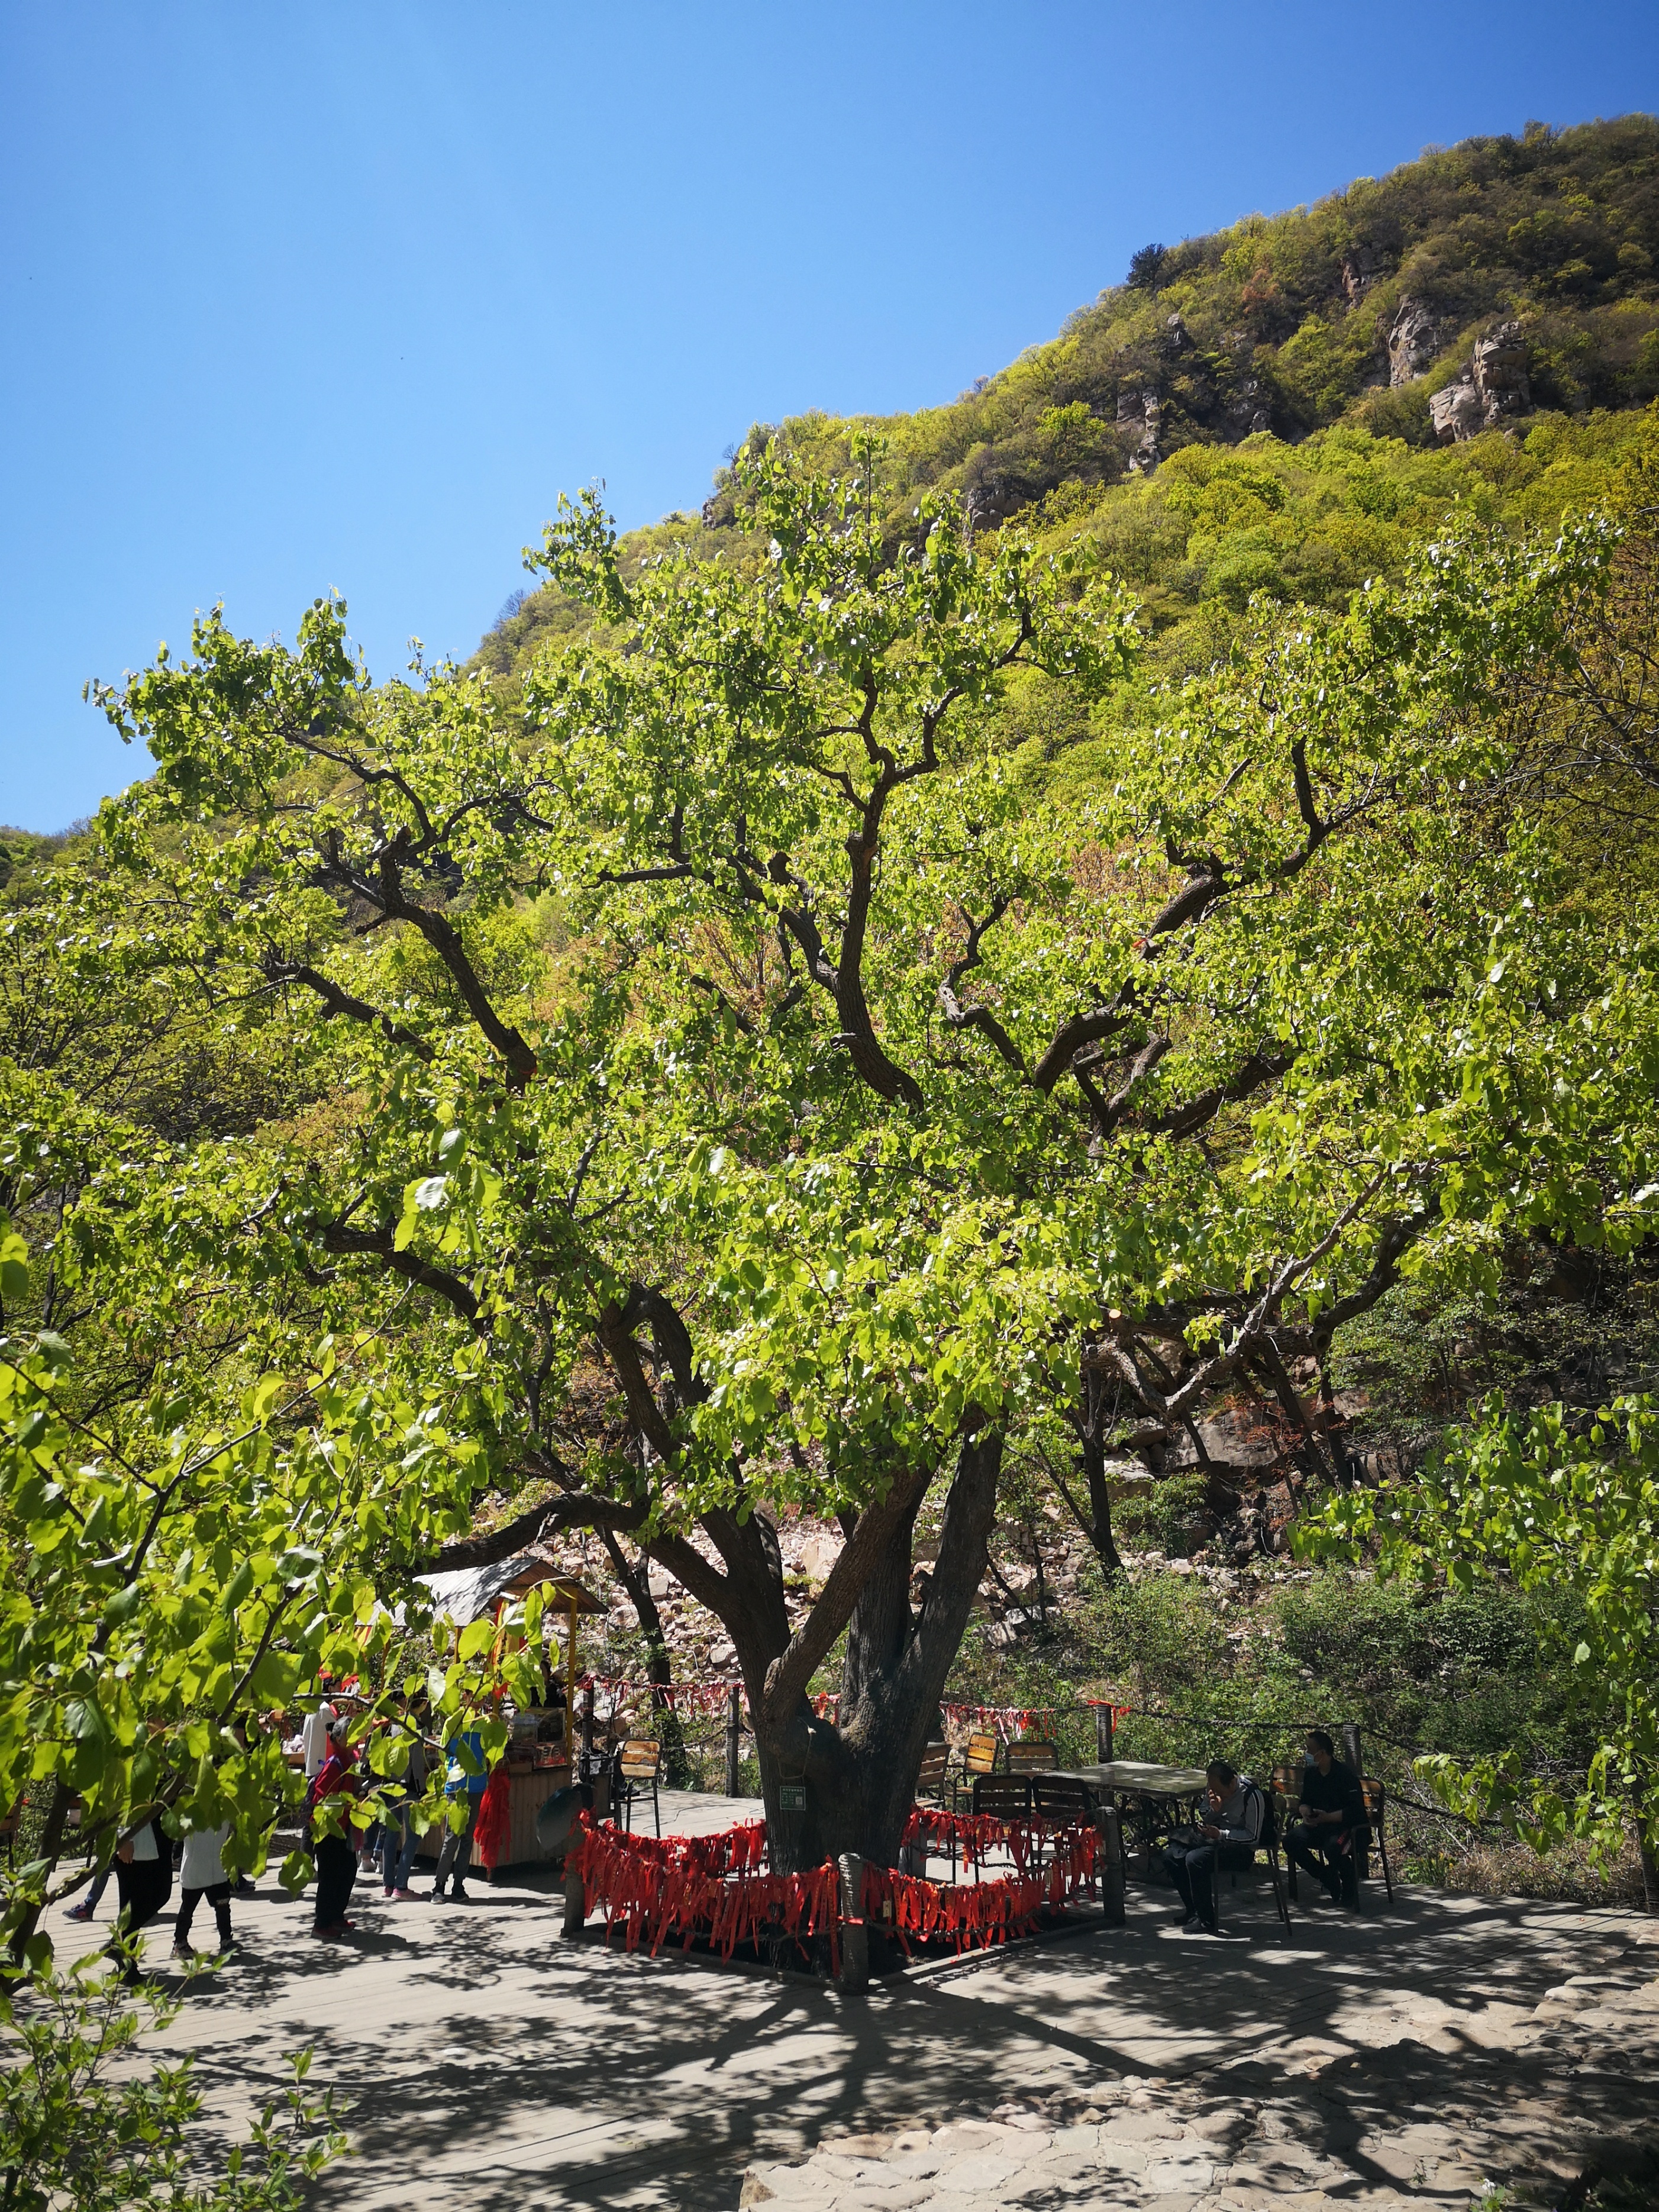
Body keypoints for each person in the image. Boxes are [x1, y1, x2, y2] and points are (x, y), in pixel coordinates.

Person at [1161, 1760, 1264, 1934]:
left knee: (1195, 1860)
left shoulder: (1252, 1795)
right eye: (1212, 1789)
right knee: (1171, 1855)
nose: (1217, 1794)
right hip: (1213, 1840)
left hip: (1239, 1850)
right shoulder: (1212, 1788)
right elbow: (1205, 1816)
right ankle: (1193, 1910)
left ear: (1232, 1782)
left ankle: (1206, 1920)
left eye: (1221, 1792)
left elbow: (1252, 1836)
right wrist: (1214, 1810)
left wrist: (1222, 1834)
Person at [1284, 1728, 1366, 1904]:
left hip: (1346, 1828)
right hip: (1320, 1825)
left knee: (1333, 1848)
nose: (1306, 1754)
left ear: (1321, 1753)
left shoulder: (1345, 1775)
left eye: (1309, 1750)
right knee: (1291, 1841)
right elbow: (1305, 1801)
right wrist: (1305, 1812)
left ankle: (1349, 1889)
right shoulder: (1311, 1774)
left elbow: (1356, 1811)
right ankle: (1326, 1877)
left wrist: (1328, 1817)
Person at [309, 1714, 363, 1943]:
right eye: (351, 1734)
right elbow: (321, 1798)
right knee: (330, 1877)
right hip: (329, 1830)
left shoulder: (349, 1760)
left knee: (348, 1871)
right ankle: (322, 1924)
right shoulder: (335, 1763)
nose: (355, 1739)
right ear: (340, 1738)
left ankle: (336, 1916)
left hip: (344, 1827)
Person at [108, 1813, 173, 1982]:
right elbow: (117, 1796)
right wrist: (122, 1836)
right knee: (133, 1902)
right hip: (135, 1836)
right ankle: (126, 1966)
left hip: (160, 1831)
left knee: (160, 1894)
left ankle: (118, 1948)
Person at [379, 1700, 431, 1901]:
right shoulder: (416, 1725)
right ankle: (401, 1886)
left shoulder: (394, 1723)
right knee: (413, 1836)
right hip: (410, 1787)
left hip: (393, 1784)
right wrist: (422, 1788)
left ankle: (388, 1884)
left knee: (392, 1834)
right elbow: (417, 1760)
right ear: (423, 1704)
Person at [431, 1724, 487, 1904]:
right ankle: (439, 1886)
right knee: (452, 1837)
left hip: (477, 1788)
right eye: (470, 1694)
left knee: (467, 1839)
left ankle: (458, 1885)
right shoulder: (454, 1722)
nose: (477, 1700)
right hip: (456, 1788)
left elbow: (490, 1750)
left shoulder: (485, 1723)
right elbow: (443, 1752)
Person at [173, 1818, 234, 1959]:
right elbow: (178, 1833)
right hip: (195, 1867)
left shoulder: (224, 1808)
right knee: (188, 1907)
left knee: (223, 1904)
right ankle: (179, 1942)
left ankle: (226, 1940)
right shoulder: (191, 1811)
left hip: (218, 1866)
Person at [301, 1699, 337, 1781]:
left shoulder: (311, 1710)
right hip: (322, 1767)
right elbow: (337, 1733)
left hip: (311, 1766)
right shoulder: (324, 1709)